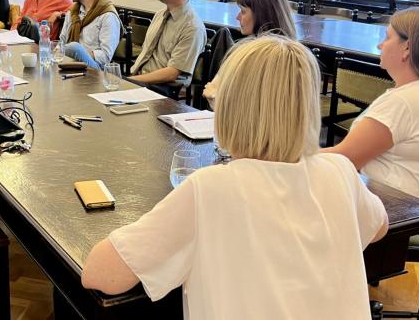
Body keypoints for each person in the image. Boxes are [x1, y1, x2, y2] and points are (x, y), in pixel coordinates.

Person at [82, 35, 389, 319]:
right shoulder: (340, 171)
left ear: (231, 107)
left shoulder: (212, 188)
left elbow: (100, 274)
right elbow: (379, 226)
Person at [322, 6, 419, 198]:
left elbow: (342, 158)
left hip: (379, 202)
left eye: (387, 38)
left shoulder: (405, 103)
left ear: (407, 48)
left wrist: (289, 159)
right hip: (393, 198)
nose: (380, 45)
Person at [203, 0, 296, 102]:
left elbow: (219, 98)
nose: (237, 17)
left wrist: (215, 94)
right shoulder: (295, 54)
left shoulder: (253, 55)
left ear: (261, 14)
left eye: (243, 11)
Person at [128, 0, 206, 86]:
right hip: (140, 80)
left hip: (160, 89)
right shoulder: (160, 15)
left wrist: (132, 81)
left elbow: (172, 73)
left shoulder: (192, 27)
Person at [58, 0, 120, 69]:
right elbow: (62, 41)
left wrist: (80, 53)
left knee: (74, 47)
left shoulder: (107, 16)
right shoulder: (73, 12)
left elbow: (106, 56)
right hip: (70, 63)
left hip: (96, 69)